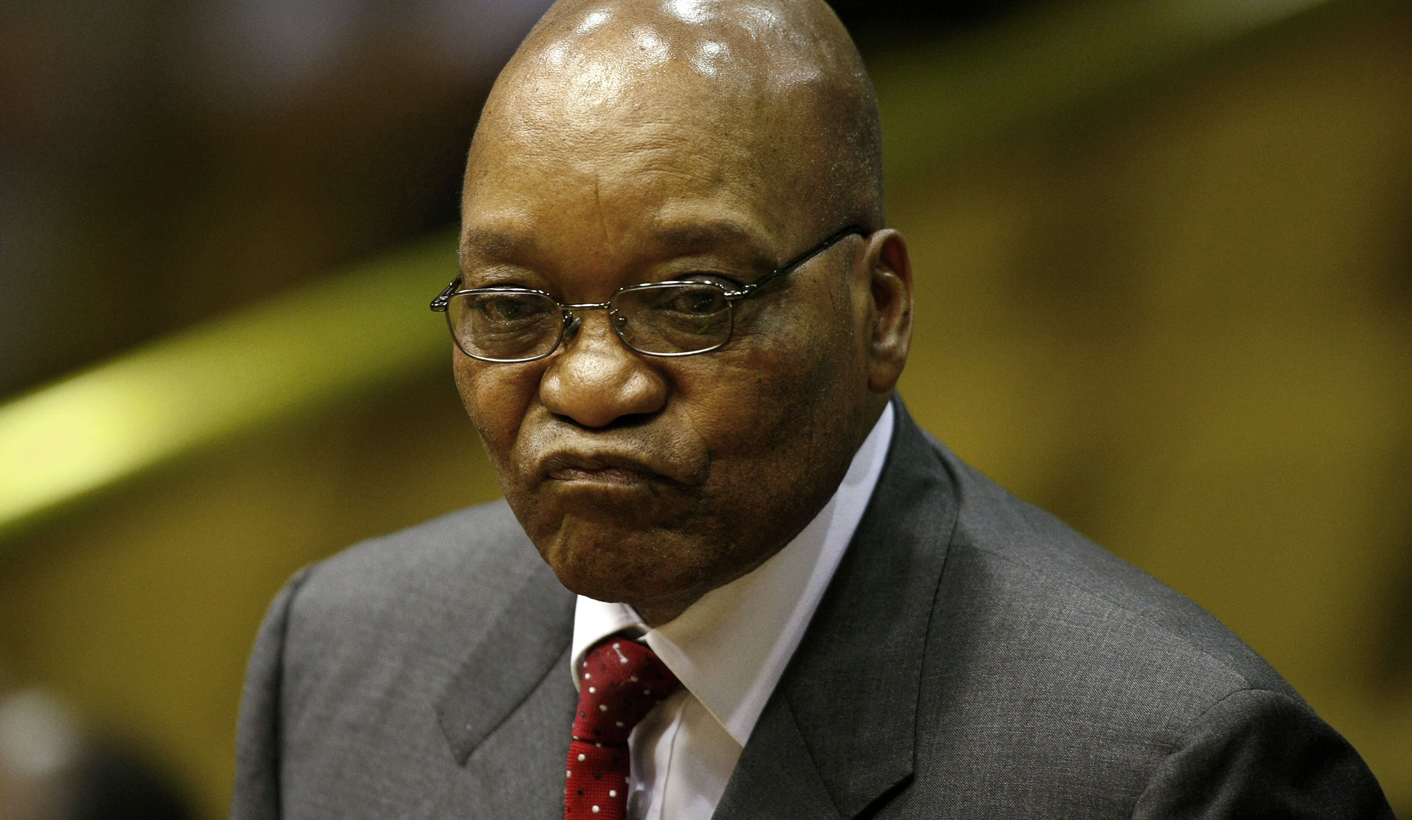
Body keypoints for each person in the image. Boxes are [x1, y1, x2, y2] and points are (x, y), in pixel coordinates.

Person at [230, 0, 1394, 817]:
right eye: (516, 306)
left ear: (877, 307)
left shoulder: (1166, 772)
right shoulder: (335, 659)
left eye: (689, 300)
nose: (589, 384)